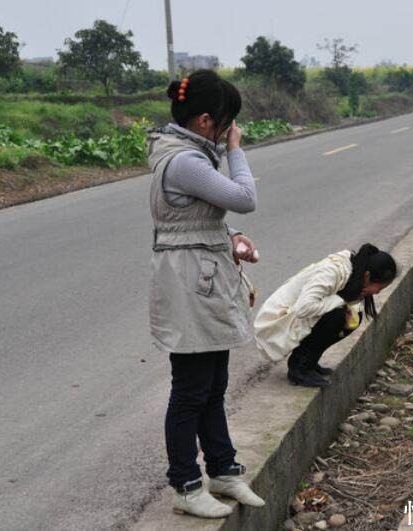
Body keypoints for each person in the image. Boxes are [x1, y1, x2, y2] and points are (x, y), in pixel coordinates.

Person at [147, 70, 264, 518]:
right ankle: (186, 484)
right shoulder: (186, 161)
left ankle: (223, 470)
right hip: (189, 285)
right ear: (203, 121)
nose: (230, 130)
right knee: (191, 390)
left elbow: (193, 219)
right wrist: (236, 153)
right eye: (226, 122)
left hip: (202, 276)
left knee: (213, 385)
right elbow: (244, 196)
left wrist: (231, 236)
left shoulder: (190, 154)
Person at [254, 244, 398, 387]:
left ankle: (309, 361)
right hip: (277, 320)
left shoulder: (353, 272)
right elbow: (303, 308)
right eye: (379, 288)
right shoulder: (332, 272)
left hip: (296, 315)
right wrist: (341, 299)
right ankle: (299, 368)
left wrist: (345, 300)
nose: (377, 293)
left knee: (353, 316)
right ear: (367, 276)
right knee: (337, 317)